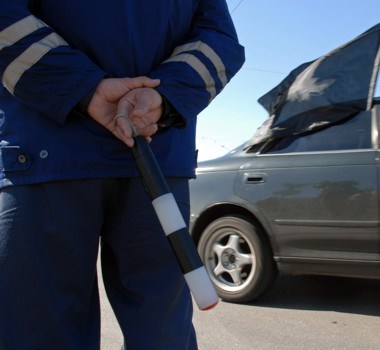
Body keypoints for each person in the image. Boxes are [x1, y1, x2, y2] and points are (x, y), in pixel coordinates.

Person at [0, 1, 245, 349]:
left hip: (49, 153)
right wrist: (162, 96)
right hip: (151, 156)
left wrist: (87, 88)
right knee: (162, 334)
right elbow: (219, 39)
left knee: (40, 332)